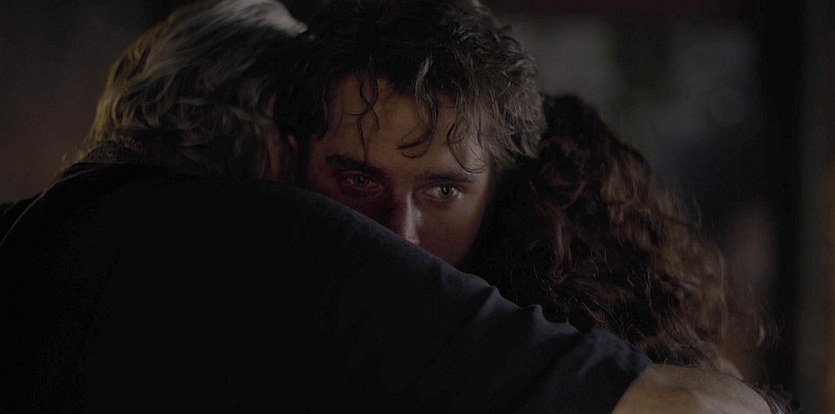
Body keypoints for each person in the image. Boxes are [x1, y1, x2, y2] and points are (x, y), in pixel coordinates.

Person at [0, 0, 772, 412]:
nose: (397, 230)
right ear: (284, 148)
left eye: (442, 190)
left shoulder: (47, 229)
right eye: (355, 181)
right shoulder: (285, 257)